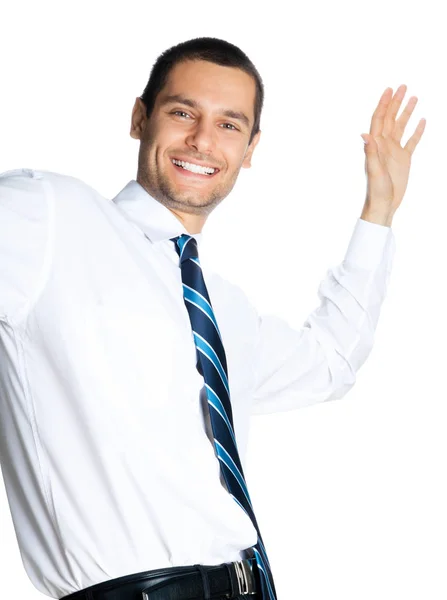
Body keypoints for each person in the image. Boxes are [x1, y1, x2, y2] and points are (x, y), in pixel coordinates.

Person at [0, 36, 425, 600]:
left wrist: (380, 208)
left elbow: (331, 363)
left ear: (250, 150)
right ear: (139, 117)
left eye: (229, 125)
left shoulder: (222, 307)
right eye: (182, 113)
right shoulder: (49, 216)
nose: (202, 140)